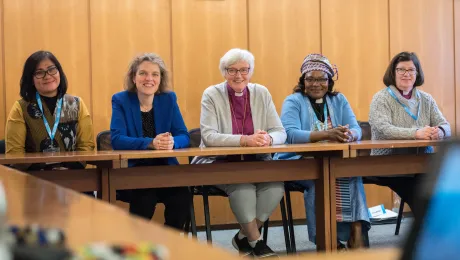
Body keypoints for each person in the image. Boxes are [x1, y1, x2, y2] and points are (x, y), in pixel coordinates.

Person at [192, 48, 286, 257]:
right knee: (242, 186)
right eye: (232, 70)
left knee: (275, 186)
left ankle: (243, 237)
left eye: (244, 70)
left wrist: (267, 139)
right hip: (218, 162)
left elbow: (280, 131)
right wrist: (245, 140)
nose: (238, 75)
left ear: (250, 71)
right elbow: (209, 137)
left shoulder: (261, 92)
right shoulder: (212, 94)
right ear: (223, 72)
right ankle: (257, 242)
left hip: (257, 161)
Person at [275, 53, 370, 249]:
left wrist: (349, 135)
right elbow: (290, 135)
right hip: (297, 161)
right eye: (310, 79)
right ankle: (328, 241)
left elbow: (357, 129)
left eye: (321, 79)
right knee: (320, 179)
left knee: (352, 174)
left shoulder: (338, 100)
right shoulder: (293, 101)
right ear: (303, 81)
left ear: (329, 81)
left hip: (334, 161)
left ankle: (356, 232)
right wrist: (327, 134)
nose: (316, 84)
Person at [110, 53, 191, 231]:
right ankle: (139, 248)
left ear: (160, 79)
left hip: (165, 169)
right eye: (143, 73)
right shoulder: (121, 100)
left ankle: (171, 244)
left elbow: (184, 135)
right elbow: (116, 139)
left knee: (182, 196)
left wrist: (172, 142)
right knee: (145, 198)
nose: (149, 79)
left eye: (155, 74)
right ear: (134, 77)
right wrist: (150, 143)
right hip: (135, 171)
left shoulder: (169, 99)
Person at [368, 51, 451, 217]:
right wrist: (416, 133)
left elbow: (445, 125)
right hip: (389, 164)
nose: (406, 74)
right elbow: (383, 129)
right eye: (401, 70)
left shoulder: (426, 99)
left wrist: (439, 132)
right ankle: (430, 237)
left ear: (417, 73)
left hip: (422, 163)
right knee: (421, 196)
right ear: (393, 73)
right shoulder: (381, 98)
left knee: (445, 192)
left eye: (411, 70)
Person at [6, 50, 95, 172]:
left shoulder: (76, 104)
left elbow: (86, 147)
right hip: (33, 179)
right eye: (39, 72)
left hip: (73, 176)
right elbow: (14, 154)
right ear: (31, 79)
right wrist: (45, 170)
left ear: (59, 72)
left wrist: (69, 169)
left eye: (52, 69)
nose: (47, 76)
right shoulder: (21, 108)